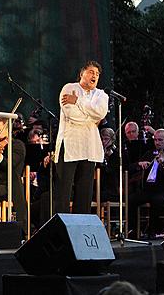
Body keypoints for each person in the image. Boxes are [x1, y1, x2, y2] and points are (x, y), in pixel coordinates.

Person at [53, 60, 108, 215]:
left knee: (84, 192)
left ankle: (81, 229)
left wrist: (78, 101)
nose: (94, 76)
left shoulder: (101, 95)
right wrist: (91, 118)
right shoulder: (69, 88)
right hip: (70, 145)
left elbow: (101, 113)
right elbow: (72, 115)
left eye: (97, 74)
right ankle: (61, 230)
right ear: (81, 73)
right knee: (64, 191)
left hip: (89, 148)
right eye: (91, 72)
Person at [128, 129, 164, 239]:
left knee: (156, 199)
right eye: (155, 140)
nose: (157, 142)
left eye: (160, 140)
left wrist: (163, 164)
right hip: (149, 190)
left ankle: (153, 231)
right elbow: (131, 167)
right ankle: (134, 230)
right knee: (131, 199)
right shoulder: (150, 154)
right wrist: (139, 164)